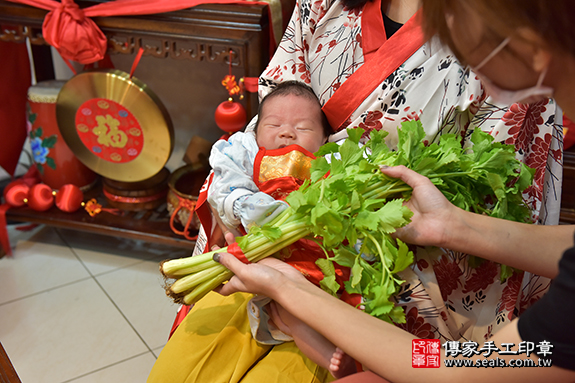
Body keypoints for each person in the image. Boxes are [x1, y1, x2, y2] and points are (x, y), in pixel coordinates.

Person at [148, 0, 562, 380]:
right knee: (186, 366)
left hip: (381, 272)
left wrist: (299, 299)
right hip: (262, 226)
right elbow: (280, 103)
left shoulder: (505, 36)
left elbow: (461, 370)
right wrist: (247, 190)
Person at [207, 80, 357, 377]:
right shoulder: (245, 151)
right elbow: (225, 184)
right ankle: (330, 359)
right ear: (256, 130)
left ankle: (336, 358)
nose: (287, 132)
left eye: (303, 128)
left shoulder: (333, 159)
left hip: (317, 260)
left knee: (305, 308)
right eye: (274, 124)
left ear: (325, 137)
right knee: (289, 311)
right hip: (264, 256)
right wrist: (247, 206)